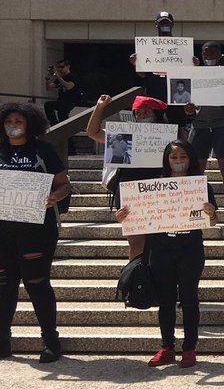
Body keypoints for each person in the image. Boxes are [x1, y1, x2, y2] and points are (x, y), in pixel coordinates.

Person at [116, 140, 218, 368]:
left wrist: (211, 213)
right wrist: (125, 217)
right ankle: (167, 347)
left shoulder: (200, 186)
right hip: (161, 251)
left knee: (190, 299)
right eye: (174, 157)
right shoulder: (155, 186)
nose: (179, 161)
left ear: (190, 159)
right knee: (166, 300)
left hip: (190, 250)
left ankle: (190, 348)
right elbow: (139, 219)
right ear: (167, 160)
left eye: (183, 157)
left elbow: (213, 221)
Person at [0, 103, 72, 363]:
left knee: (36, 283)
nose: (14, 125)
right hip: (3, 229)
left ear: (29, 124)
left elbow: (65, 185)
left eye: (19, 121)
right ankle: (3, 341)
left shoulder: (43, 150)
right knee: (4, 285)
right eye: (9, 120)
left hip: (37, 228)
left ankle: (50, 341)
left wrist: (54, 196)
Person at [88, 94, 170, 261]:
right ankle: (136, 278)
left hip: (158, 188)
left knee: (157, 240)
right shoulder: (125, 134)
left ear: (156, 114)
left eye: (147, 112)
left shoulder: (168, 135)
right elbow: (93, 132)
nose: (142, 116)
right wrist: (100, 107)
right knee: (136, 241)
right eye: (138, 113)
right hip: (129, 189)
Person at [186, 41, 224, 227]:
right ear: (201, 54)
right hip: (199, 125)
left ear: (220, 54)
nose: (209, 55)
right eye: (205, 52)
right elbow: (188, 106)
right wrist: (188, 110)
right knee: (196, 171)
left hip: (223, 124)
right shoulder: (194, 75)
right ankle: (195, 210)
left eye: (212, 52)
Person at [43, 59, 83, 125]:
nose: (60, 69)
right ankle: (60, 128)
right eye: (58, 67)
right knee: (62, 118)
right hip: (62, 100)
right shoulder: (61, 78)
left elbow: (68, 86)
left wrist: (57, 75)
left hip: (70, 101)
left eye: (62, 67)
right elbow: (49, 88)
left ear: (68, 66)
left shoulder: (72, 77)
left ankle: (54, 124)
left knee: (48, 105)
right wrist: (48, 79)